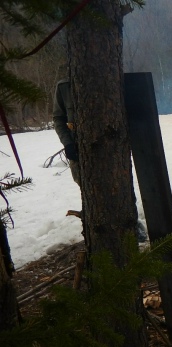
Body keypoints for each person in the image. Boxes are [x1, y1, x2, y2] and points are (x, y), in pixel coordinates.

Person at [52, 78, 147, 242]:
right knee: (89, 189)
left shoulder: (111, 75)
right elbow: (58, 118)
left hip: (112, 146)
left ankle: (131, 224)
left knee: (121, 186)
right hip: (80, 150)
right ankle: (99, 233)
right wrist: (68, 143)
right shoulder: (64, 86)